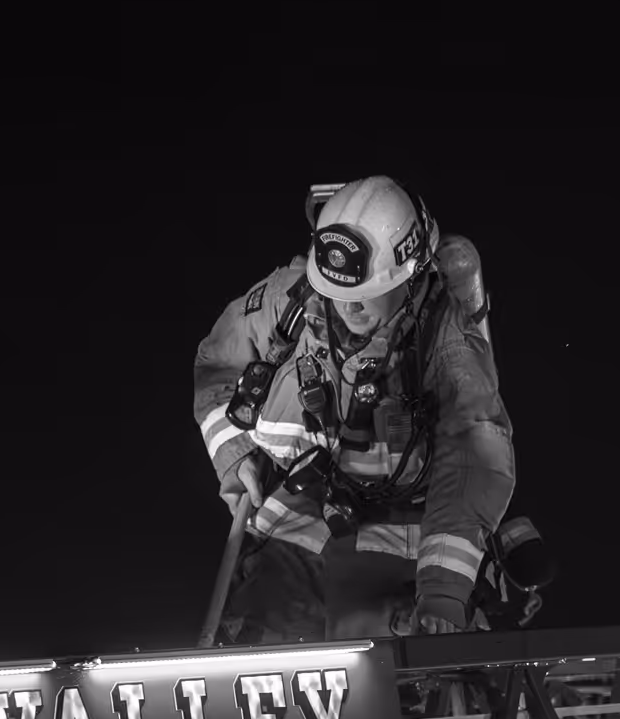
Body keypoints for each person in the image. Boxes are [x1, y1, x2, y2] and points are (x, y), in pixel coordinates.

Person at [193, 176, 516, 641]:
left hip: (418, 520)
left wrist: (443, 590)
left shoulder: (446, 343)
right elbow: (218, 363)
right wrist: (235, 453)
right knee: (262, 635)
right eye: (340, 293)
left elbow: (474, 456)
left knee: (409, 670)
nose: (351, 309)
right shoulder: (289, 301)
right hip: (311, 504)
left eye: (366, 293)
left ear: (409, 277)